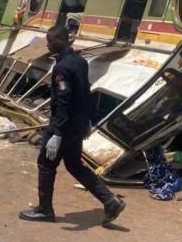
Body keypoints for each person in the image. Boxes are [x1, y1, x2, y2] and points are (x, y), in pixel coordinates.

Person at [19, 25, 126, 225]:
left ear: (61, 40)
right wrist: (87, 121)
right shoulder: (80, 61)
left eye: (50, 40)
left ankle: (44, 210)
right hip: (77, 124)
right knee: (74, 165)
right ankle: (109, 200)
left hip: (64, 126)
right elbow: (85, 93)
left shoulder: (62, 67)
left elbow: (64, 101)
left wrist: (57, 133)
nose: (48, 44)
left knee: (46, 164)